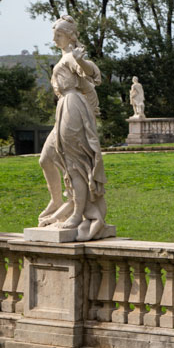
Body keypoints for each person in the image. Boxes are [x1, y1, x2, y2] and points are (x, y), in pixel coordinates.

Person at [37, 15, 111, 241]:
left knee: (75, 164)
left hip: (72, 108)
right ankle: (59, 201)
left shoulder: (70, 57)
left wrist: (80, 62)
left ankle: (78, 213)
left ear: (69, 36)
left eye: (58, 34)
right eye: (54, 33)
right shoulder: (64, 57)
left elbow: (91, 73)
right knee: (46, 158)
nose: (54, 38)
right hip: (64, 108)